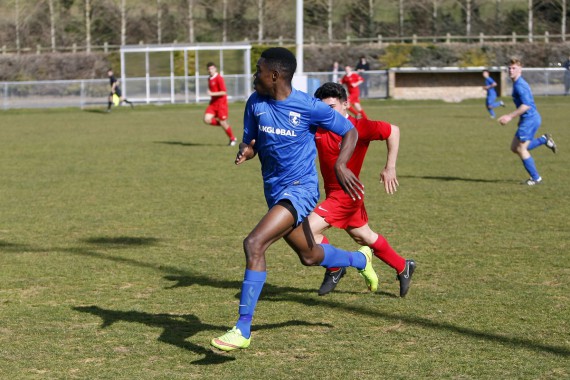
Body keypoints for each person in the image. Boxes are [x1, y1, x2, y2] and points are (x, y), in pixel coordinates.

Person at [210, 47, 378, 352]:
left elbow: (350, 131)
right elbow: (253, 141)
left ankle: (242, 328)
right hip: (275, 192)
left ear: (274, 75)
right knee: (310, 256)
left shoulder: (308, 106)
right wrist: (246, 151)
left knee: (254, 243)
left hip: (300, 190)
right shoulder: (255, 103)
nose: (254, 75)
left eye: (258, 69)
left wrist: (341, 164)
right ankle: (360, 259)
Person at [310, 82, 415, 297]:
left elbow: (393, 130)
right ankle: (403, 266)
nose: (325, 112)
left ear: (346, 104)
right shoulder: (319, 127)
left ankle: (335, 267)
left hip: (347, 194)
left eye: (331, 107)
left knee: (308, 231)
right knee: (365, 237)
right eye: (321, 108)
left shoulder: (359, 127)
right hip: (335, 192)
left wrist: (390, 167)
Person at [497, 58, 557, 186]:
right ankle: (544, 140)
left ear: (520, 70)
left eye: (514, 68)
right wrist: (520, 119)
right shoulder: (517, 83)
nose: (510, 70)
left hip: (530, 120)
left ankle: (536, 178)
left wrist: (509, 116)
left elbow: (526, 105)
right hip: (527, 119)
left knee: (521, 149)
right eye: (509, 68)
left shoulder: (519, 85)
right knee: (515, 148)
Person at [203, 62, 238, 146]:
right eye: (209, 69)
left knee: (223, 122)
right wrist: (212, 96)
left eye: (212, 68)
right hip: (213, 104)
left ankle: (232, 138)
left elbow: (223, 92)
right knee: (206, 119)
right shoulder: (209, 79)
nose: (210, 70)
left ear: (215, 69)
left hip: (221, 104)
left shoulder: (219, 78)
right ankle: (224, 124)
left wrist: (212, 94)